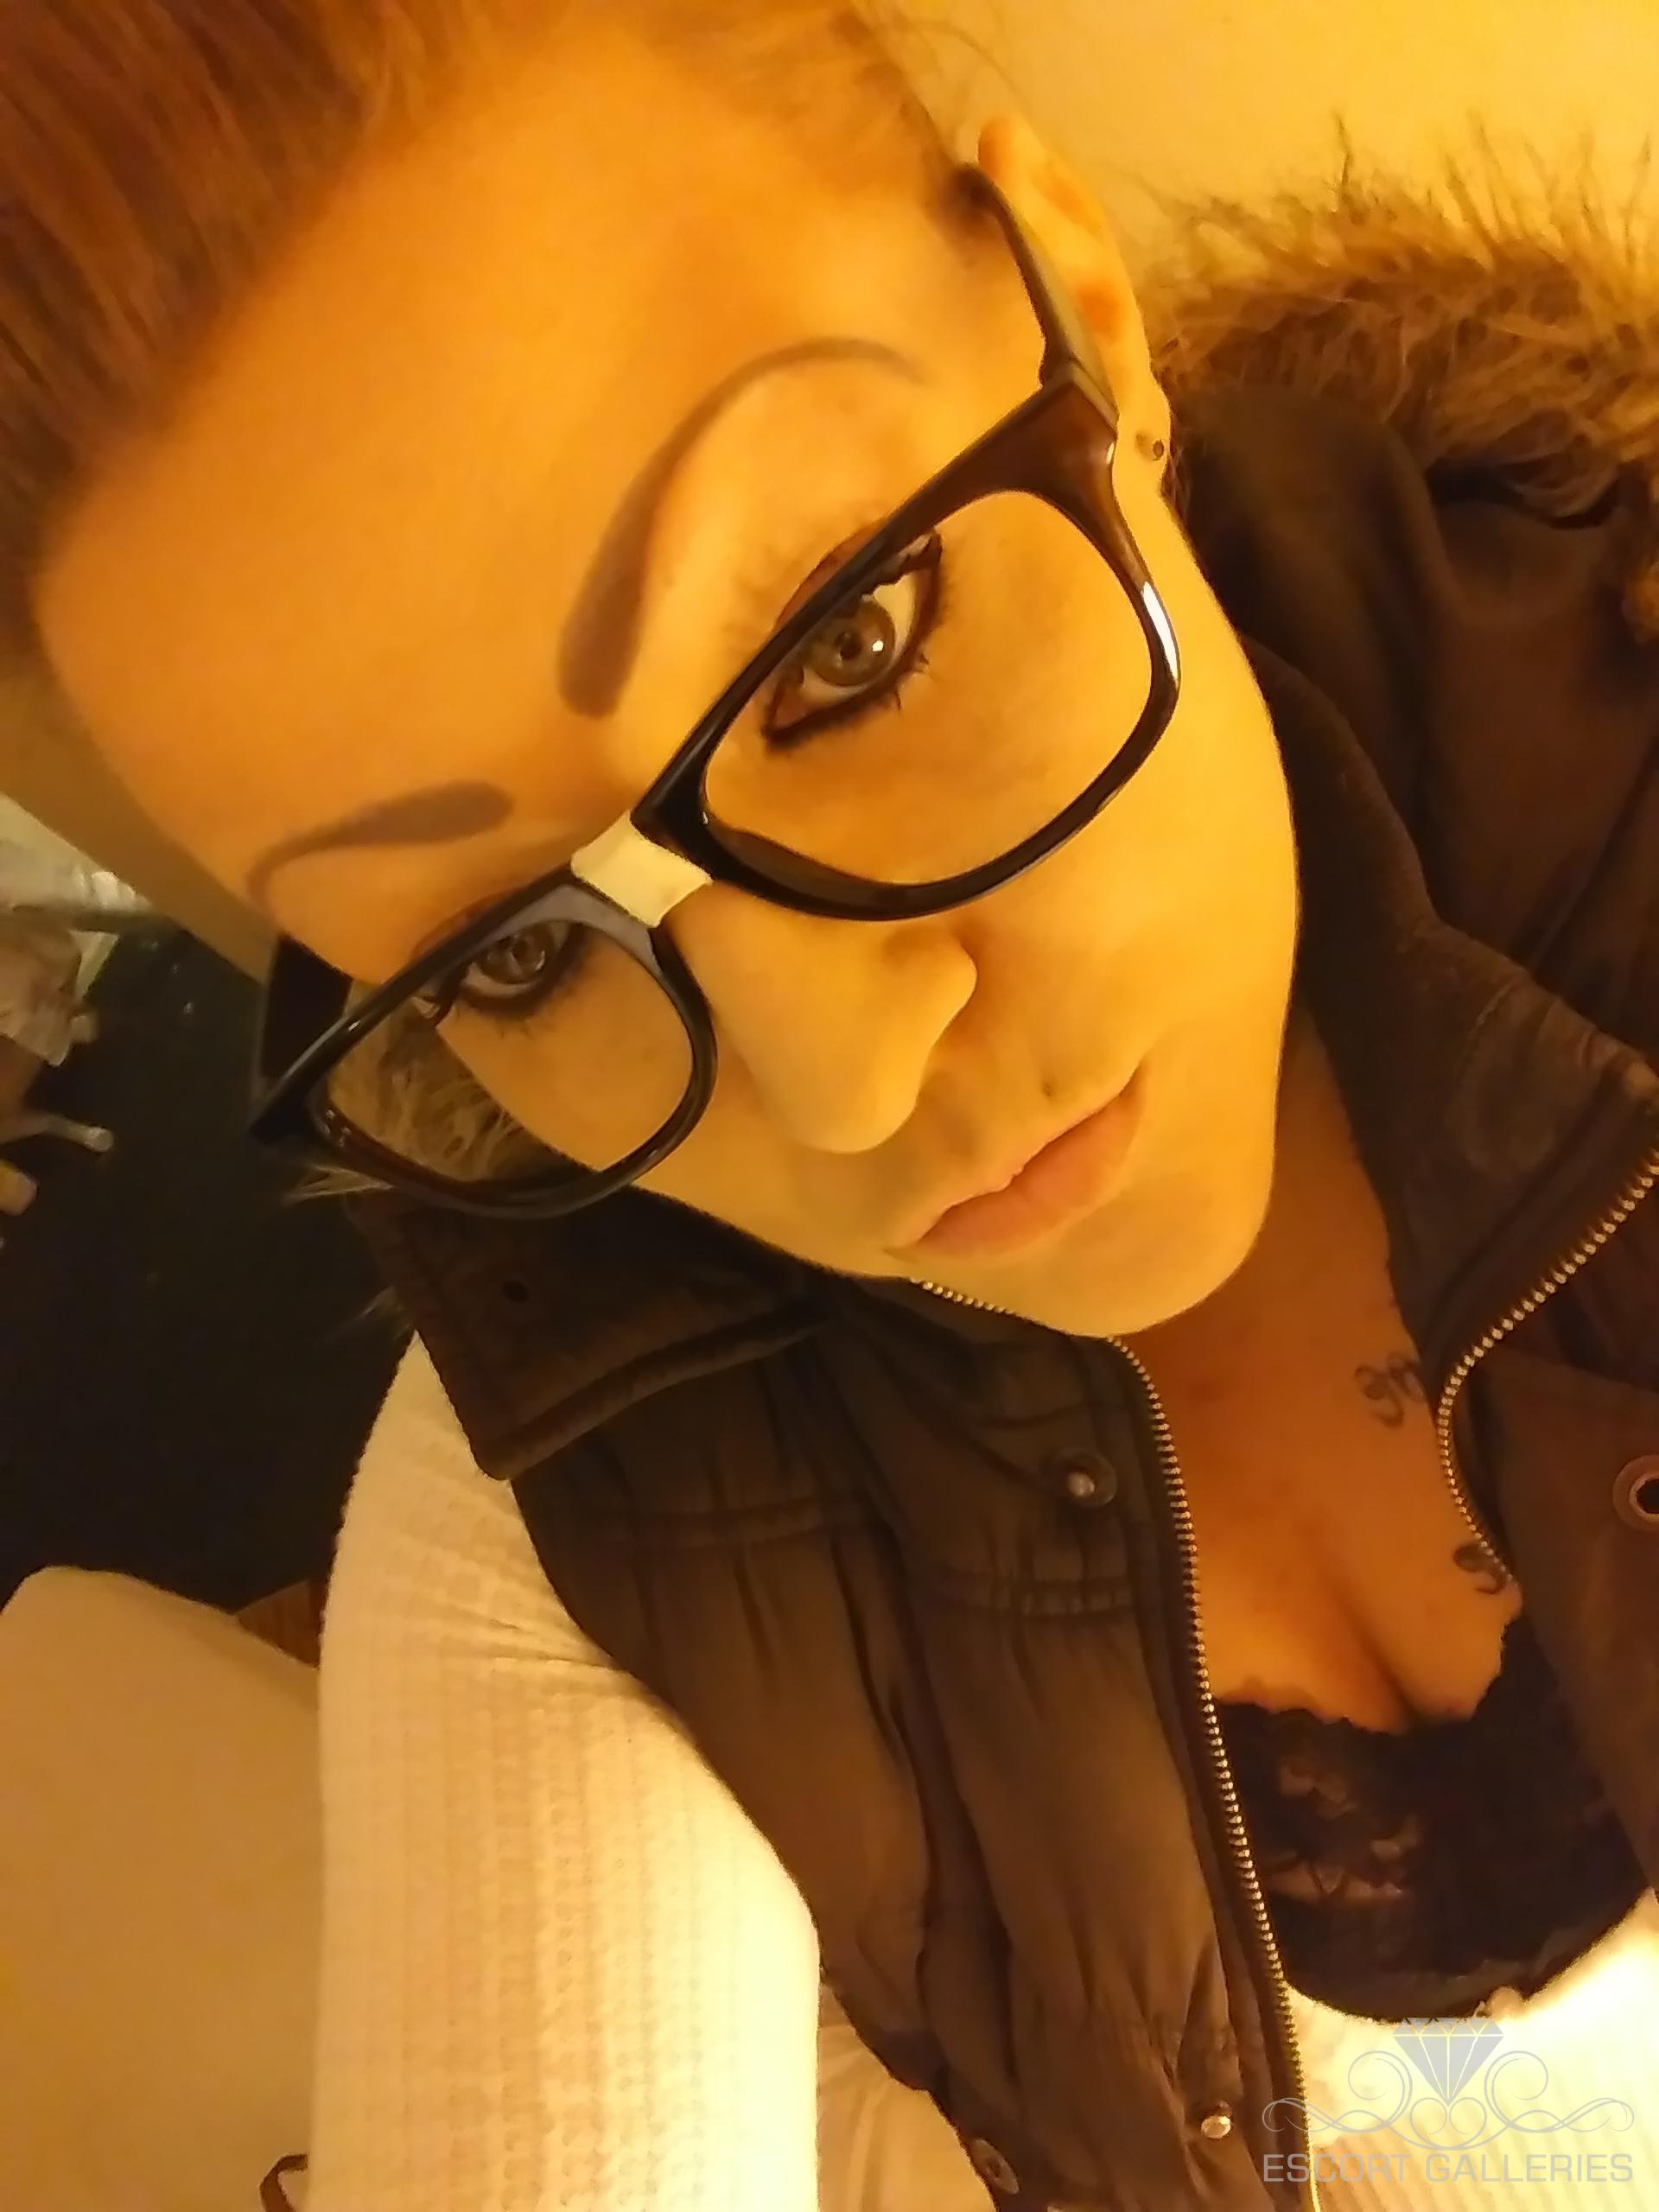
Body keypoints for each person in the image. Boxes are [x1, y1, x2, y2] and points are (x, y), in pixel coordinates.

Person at [7, 3, 1658, 2206]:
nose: (853, 1078)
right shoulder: (579, 1501)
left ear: (1080, 309)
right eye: (512, 950)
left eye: (847, 645)